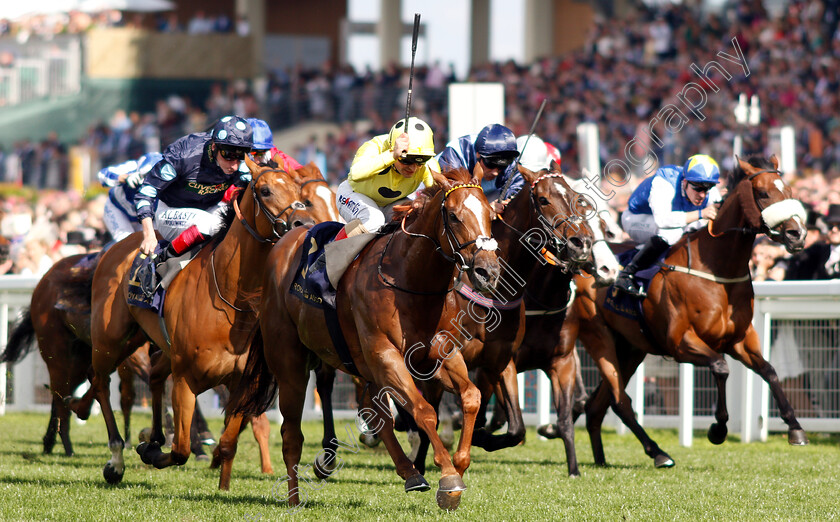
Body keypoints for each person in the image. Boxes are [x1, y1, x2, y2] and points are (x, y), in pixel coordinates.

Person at [135, 115, 252, 262]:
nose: (234, 165)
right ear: (214, 146)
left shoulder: (241, 165)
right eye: (228, 155)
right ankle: (162, 260)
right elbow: (146, 192)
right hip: (169, 211)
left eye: (240, 156)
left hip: (209, 208)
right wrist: (149, 235)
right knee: (213, 224)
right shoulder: (183, 155)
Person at [615, 153, 722, 296]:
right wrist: (701, 214)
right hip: (635, 219)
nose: (702, 194)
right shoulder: (664, 183)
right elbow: (663, 220)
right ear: (684, 182)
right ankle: (627, 274)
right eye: (697, 188)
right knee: (671, 233)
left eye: (707, 188)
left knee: (696, 228)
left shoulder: (708, 189)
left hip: (664, 221)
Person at [335, 116, 439, 236]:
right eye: (407, 160)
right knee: (375, 221)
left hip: (390, 203)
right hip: (354, 194)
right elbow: (355, 174)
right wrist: (392, 155)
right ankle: (333, 253)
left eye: (420, 161)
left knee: (415, 217)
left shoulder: (429, 163)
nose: (413, 168)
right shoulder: (374, 146)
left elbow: (437, 195)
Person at [437, 123, 520, 203]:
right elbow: (455, 200)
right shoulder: (456, 154)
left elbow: (517, 190)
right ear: (478, 154)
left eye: (503, 165)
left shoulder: (509, 159)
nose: (495, 172)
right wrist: (489, 209)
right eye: (491, 164)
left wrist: (506, 203)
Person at [98, 152, 163, 242]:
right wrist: (125, 178)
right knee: (126, 242)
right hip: (119, 210)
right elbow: (102, 175)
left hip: (148, 217)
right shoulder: (131, 166)